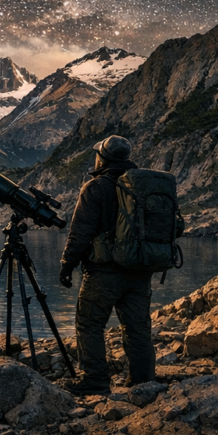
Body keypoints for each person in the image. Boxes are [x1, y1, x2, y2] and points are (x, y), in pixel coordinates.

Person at [58, 136, 163, 395]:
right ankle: (143, 381)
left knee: (89, 323)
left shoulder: (95, 187)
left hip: (104, 272)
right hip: (140, 269)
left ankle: (94, 381)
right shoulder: (143, 186)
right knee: (137, 327)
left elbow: (80, 233)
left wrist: (67, 265)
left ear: (102, 158)